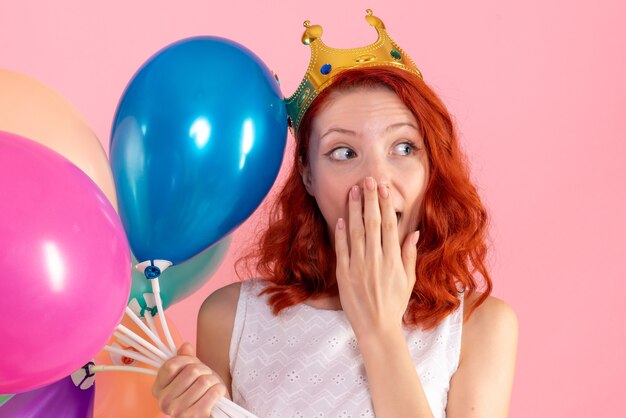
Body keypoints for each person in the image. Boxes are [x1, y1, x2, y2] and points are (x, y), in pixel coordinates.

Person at [152, 10, 518, 418]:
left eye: (403, 148)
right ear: (307, 174)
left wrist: (379, 331)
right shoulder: (229, 317)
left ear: (431, 166)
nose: (376, 179)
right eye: (344, 153)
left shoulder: (479, 327)